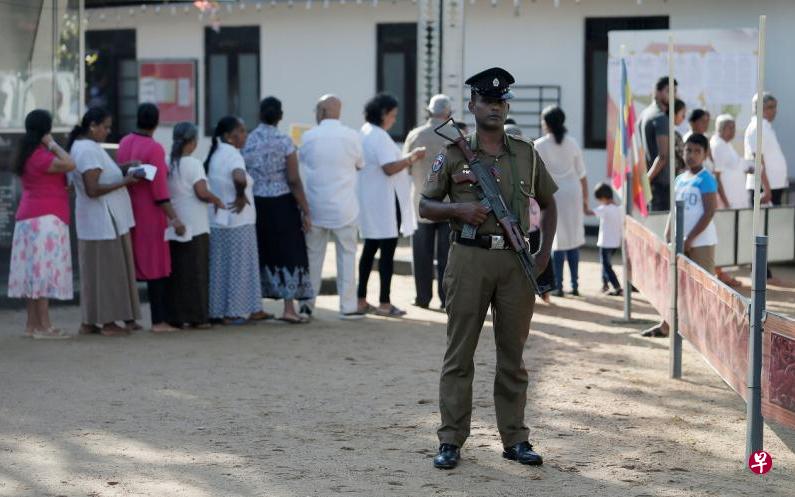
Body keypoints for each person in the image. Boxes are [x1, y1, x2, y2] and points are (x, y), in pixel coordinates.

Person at [420, 67, 558, 469]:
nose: (494, 107)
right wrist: (458, 208)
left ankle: (515, 440)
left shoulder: (526, 153)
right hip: (468, 259)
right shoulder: (452, 154)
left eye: (500, 102)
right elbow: (425, 207)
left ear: (506, 106)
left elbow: (550, 204)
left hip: (516, 264)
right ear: (472, 106)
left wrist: (544, 253)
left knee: (512, 356)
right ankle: (450, 441)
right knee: (459, 353)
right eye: (486, 101)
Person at [68, 107, 142, 337]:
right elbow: (93, 188)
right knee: (108, 273)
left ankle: (91, 321)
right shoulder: (86, 149)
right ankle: (107, 321)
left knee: (95, 273)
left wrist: (124, 168)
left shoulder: (86, 147)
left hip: (100, 219)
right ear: (93, 126)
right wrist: (126, 181)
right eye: (106, 127)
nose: (108, 132)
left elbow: (102, 175)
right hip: (102, 219)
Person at [242, 97, 313, 323]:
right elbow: (293, 179)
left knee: (261, 250)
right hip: (282, 203)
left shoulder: (248, 140)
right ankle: (289, 308)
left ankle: (255, 307)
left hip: (256, 203)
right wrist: (305, 208)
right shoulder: (285, 142)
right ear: (280, 116)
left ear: (260, 114)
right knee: (289, 253)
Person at [116, 103, 186, 333]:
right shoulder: (154, 149)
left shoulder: (125, 142)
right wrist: (174, 218)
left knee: (131, 264)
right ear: (156, 123)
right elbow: (159, 191)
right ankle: (159, 320)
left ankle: (128, 318)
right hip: (150, 214)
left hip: (128, 208)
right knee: (156, 266)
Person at [8, 109, 75, 339]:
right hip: (46, 219)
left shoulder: (26, 154)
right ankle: (45, 326)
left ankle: (31, 324)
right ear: (45, 130)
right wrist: (53, 143)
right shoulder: (41, 156)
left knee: (31, 273)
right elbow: (69, 163)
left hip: (27, 218)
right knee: (44, 272)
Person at [357, 93, 424, 317]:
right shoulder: (379, 136)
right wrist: (412, 158)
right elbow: (389, 167)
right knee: (386, 253)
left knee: (369, 251)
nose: (394, 119)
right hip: (385, 202)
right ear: (384, 114)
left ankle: (361, 299)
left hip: (370, 199)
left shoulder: (365, 132)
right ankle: (385, 302)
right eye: (393, 115)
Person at [299, 94, 365, 319]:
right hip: (345, 208)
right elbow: (360, 164)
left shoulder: (308, 137)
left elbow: (303, 163)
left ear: (320, 112)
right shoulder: (352, 136)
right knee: (347, 257)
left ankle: (307, 305)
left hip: (315, 207)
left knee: (313, 257)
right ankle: (347, 307)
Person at [165, 122, 225, 328]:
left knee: (178, 274)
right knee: (197, 273)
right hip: (196, 226)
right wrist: (216, 200)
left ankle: (177, 316)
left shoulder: (166, 162)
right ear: (191, 142)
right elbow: (201, 192)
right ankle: (198, 317)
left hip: (173, 225)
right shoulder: (193, 164)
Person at [206, 116, 264, 324]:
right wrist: (240, 195)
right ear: (229, 136)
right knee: (240, 269)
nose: (245, 135)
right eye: (241, 131)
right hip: (239, 221)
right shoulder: (234, 156)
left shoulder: (216, 154)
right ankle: (234, 311)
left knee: (222, 269)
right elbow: (239, 177)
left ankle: (221, 310)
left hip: (219, 221)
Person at [642, 98, 687, 338]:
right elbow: (663, 157)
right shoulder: (670, 132)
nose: (688, 155)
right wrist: (647, 180)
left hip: (678, 208)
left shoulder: (689, 179)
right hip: (667, 195)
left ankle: (672, 323)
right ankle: (667, 323)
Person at [404, 94, 453, 310]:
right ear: (448, 113)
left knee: (421, 255)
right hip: (448, 204)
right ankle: (446, 299)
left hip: (421, 202)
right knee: (447, 256)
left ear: (429, 111)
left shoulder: (415, 135)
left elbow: (405, 167)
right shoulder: (455, 135)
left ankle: (422, 298)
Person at [534, 106, 588, 297]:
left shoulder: (539, 145)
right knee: (573, 240)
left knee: (556, 240)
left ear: (547, 123)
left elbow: (535, 175)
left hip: (552, 195)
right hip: (573, 193)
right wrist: (586, 200)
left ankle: (558, 285)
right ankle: (575, 285)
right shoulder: (572, 143)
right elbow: (582, 174)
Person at [668, 133, 718, 274]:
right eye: (688, 150)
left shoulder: (706, 179)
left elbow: (709, 212)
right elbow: (674, 209)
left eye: (697, 151)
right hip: (680, 241)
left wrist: (689, 239)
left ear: (705, 154)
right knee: (681, 283)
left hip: (701, 242)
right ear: (683, 151)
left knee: (703, 287)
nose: (692, 155)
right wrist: (668, 233)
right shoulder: (679, 179)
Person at [744, 92, 788, 207]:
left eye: (775, 107)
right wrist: (766, 189)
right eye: (770, 107)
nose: (774, 111)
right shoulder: (756, 128)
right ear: (759, 108)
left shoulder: (765, 126)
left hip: (773, 186)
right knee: (763, 224)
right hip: (763, 188)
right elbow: (758, 160)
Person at [641, 77, 678, 212]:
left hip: (650, 183)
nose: (673, 96)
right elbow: (663, 157)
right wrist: (646, 181)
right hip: (660, 186)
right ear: (656, 92)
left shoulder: (644, 114)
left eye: (675, 92)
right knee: (659, 230)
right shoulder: (660, 118)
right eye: (669, 91)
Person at [711, 114, 751, 209]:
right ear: (720, 129)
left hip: (736, 199)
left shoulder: (725, 144)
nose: (733, 131)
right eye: (730, 128)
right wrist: (725, 203)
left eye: (734, 128)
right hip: (728, 202)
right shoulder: (718, 146)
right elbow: (716, 177)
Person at [592, 183, 622, 296]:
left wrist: (583, 203)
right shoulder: (619, 209)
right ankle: (605, 285)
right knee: (605, 264)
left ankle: (617, 286)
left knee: (606, 265)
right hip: (615, 243)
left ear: (603, 198)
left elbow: (589, 212)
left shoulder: (604, 208)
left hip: (605, 243)